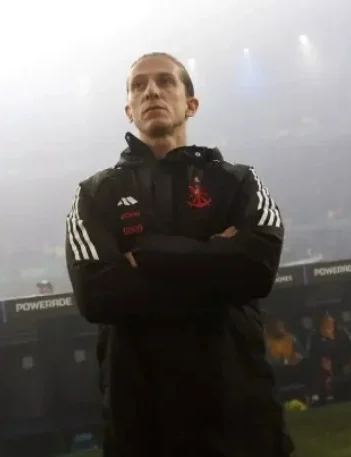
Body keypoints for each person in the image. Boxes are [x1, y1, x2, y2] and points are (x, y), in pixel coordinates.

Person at [65, 52, 293, 457]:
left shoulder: (237, 180)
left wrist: (147, 256)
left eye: (166, 81)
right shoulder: (95, 194)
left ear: (191, 104)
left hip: (240, 413)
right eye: (139, 86)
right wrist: (215, 256)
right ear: (128, 111)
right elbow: (96, 296)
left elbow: (256, 270)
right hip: (143, 419)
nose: (151, 90)